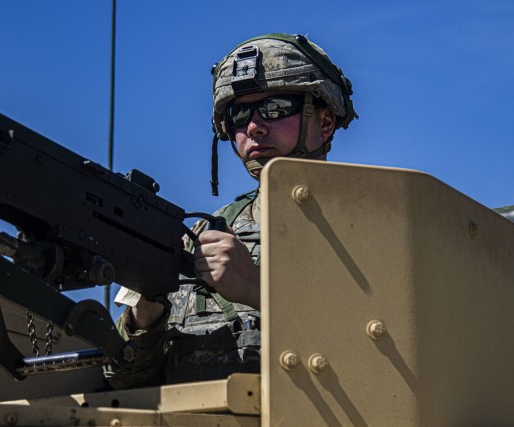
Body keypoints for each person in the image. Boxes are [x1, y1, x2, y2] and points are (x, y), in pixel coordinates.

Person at [104, 33, 357, 389]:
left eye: (275, 108)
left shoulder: (376, 223)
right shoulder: (197, 239)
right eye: (239, 114)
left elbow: (392, 352)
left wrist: (256, 287)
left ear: (325, 122)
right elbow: (123, 383)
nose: (254, 126)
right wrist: (144, 314)